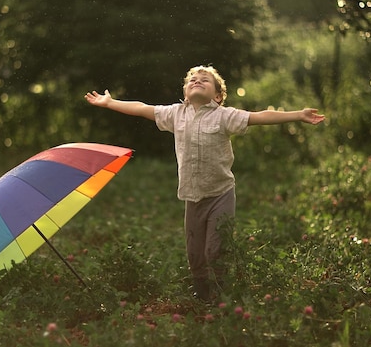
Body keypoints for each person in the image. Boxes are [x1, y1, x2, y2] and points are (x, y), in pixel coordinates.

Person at [85, 65, 325, 301]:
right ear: (185, 92)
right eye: (192, 80)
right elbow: (141, 108)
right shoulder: (175, 114)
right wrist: (110, 102)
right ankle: (202, 296)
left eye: (205, 80)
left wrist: (298, 114)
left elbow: (260, 116)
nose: (197, 81)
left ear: (218, 96)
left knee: (215, 250)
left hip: (221, 194)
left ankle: (221, 295)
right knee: (195, 254)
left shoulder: (224, 116)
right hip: (192, 196)